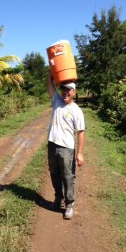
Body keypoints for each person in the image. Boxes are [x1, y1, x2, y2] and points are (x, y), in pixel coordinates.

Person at [47, 73, 85, 220]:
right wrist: (52, 73)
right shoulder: (56, 101)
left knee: (68, 177)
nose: (65, 92)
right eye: (63, 89)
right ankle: (58, 198)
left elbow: (80, 133)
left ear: (74, 92)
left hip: (67, 148)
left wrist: (79, 153)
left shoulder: (76, 111)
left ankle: (69, 204)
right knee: (54, 174)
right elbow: (49, 84)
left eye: (69, 90)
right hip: (52, 145)